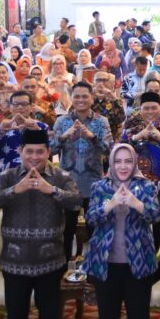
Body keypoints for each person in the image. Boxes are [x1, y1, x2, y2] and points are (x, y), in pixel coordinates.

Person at [0, 128, 80, 319]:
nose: (34, 157)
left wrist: (52, 190)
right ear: (20, 151)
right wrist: (15, 190)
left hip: (50, 261)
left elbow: (76, 202)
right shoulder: (8, 176)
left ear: (48, 152)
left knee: (49, 317)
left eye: (39, 152)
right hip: (15, 262)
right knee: (16, 317)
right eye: (29, 152)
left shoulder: (60, 177)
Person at [85, 144, 160, 319]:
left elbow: (156, 215)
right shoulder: (99, 187)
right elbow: (91, 218)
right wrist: (110, 205)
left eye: (128, 161)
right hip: (106, 263)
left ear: (135, 163)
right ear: (111, 162)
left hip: (138, 262)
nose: (123, 166)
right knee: (108, 314)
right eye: (118, 161)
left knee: (138, 313)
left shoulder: (146, 186)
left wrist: (135, 204)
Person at [52, 81, 114, 258]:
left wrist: (92, 137)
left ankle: (94, 268)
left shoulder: (101, 121)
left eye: (85, 96)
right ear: (71, 98)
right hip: (68, 184)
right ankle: (64, 267)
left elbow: (110, 150)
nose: (81, 100)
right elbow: (51, 150)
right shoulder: (62, 121)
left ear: (92, 98)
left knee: (94, 229)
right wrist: (64, 136)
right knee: (66, 231)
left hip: (93, 184)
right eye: (77, 96)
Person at [0, 90, 51, 172]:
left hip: (35, 176)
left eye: (24, 104)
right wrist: (0, 131)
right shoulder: (1, 127)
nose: (20, 107)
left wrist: (38, 132)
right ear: (10, 108)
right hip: (7, 177)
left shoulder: (42, 127)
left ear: (31, 107)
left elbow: (51, 151)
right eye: (16, 104)